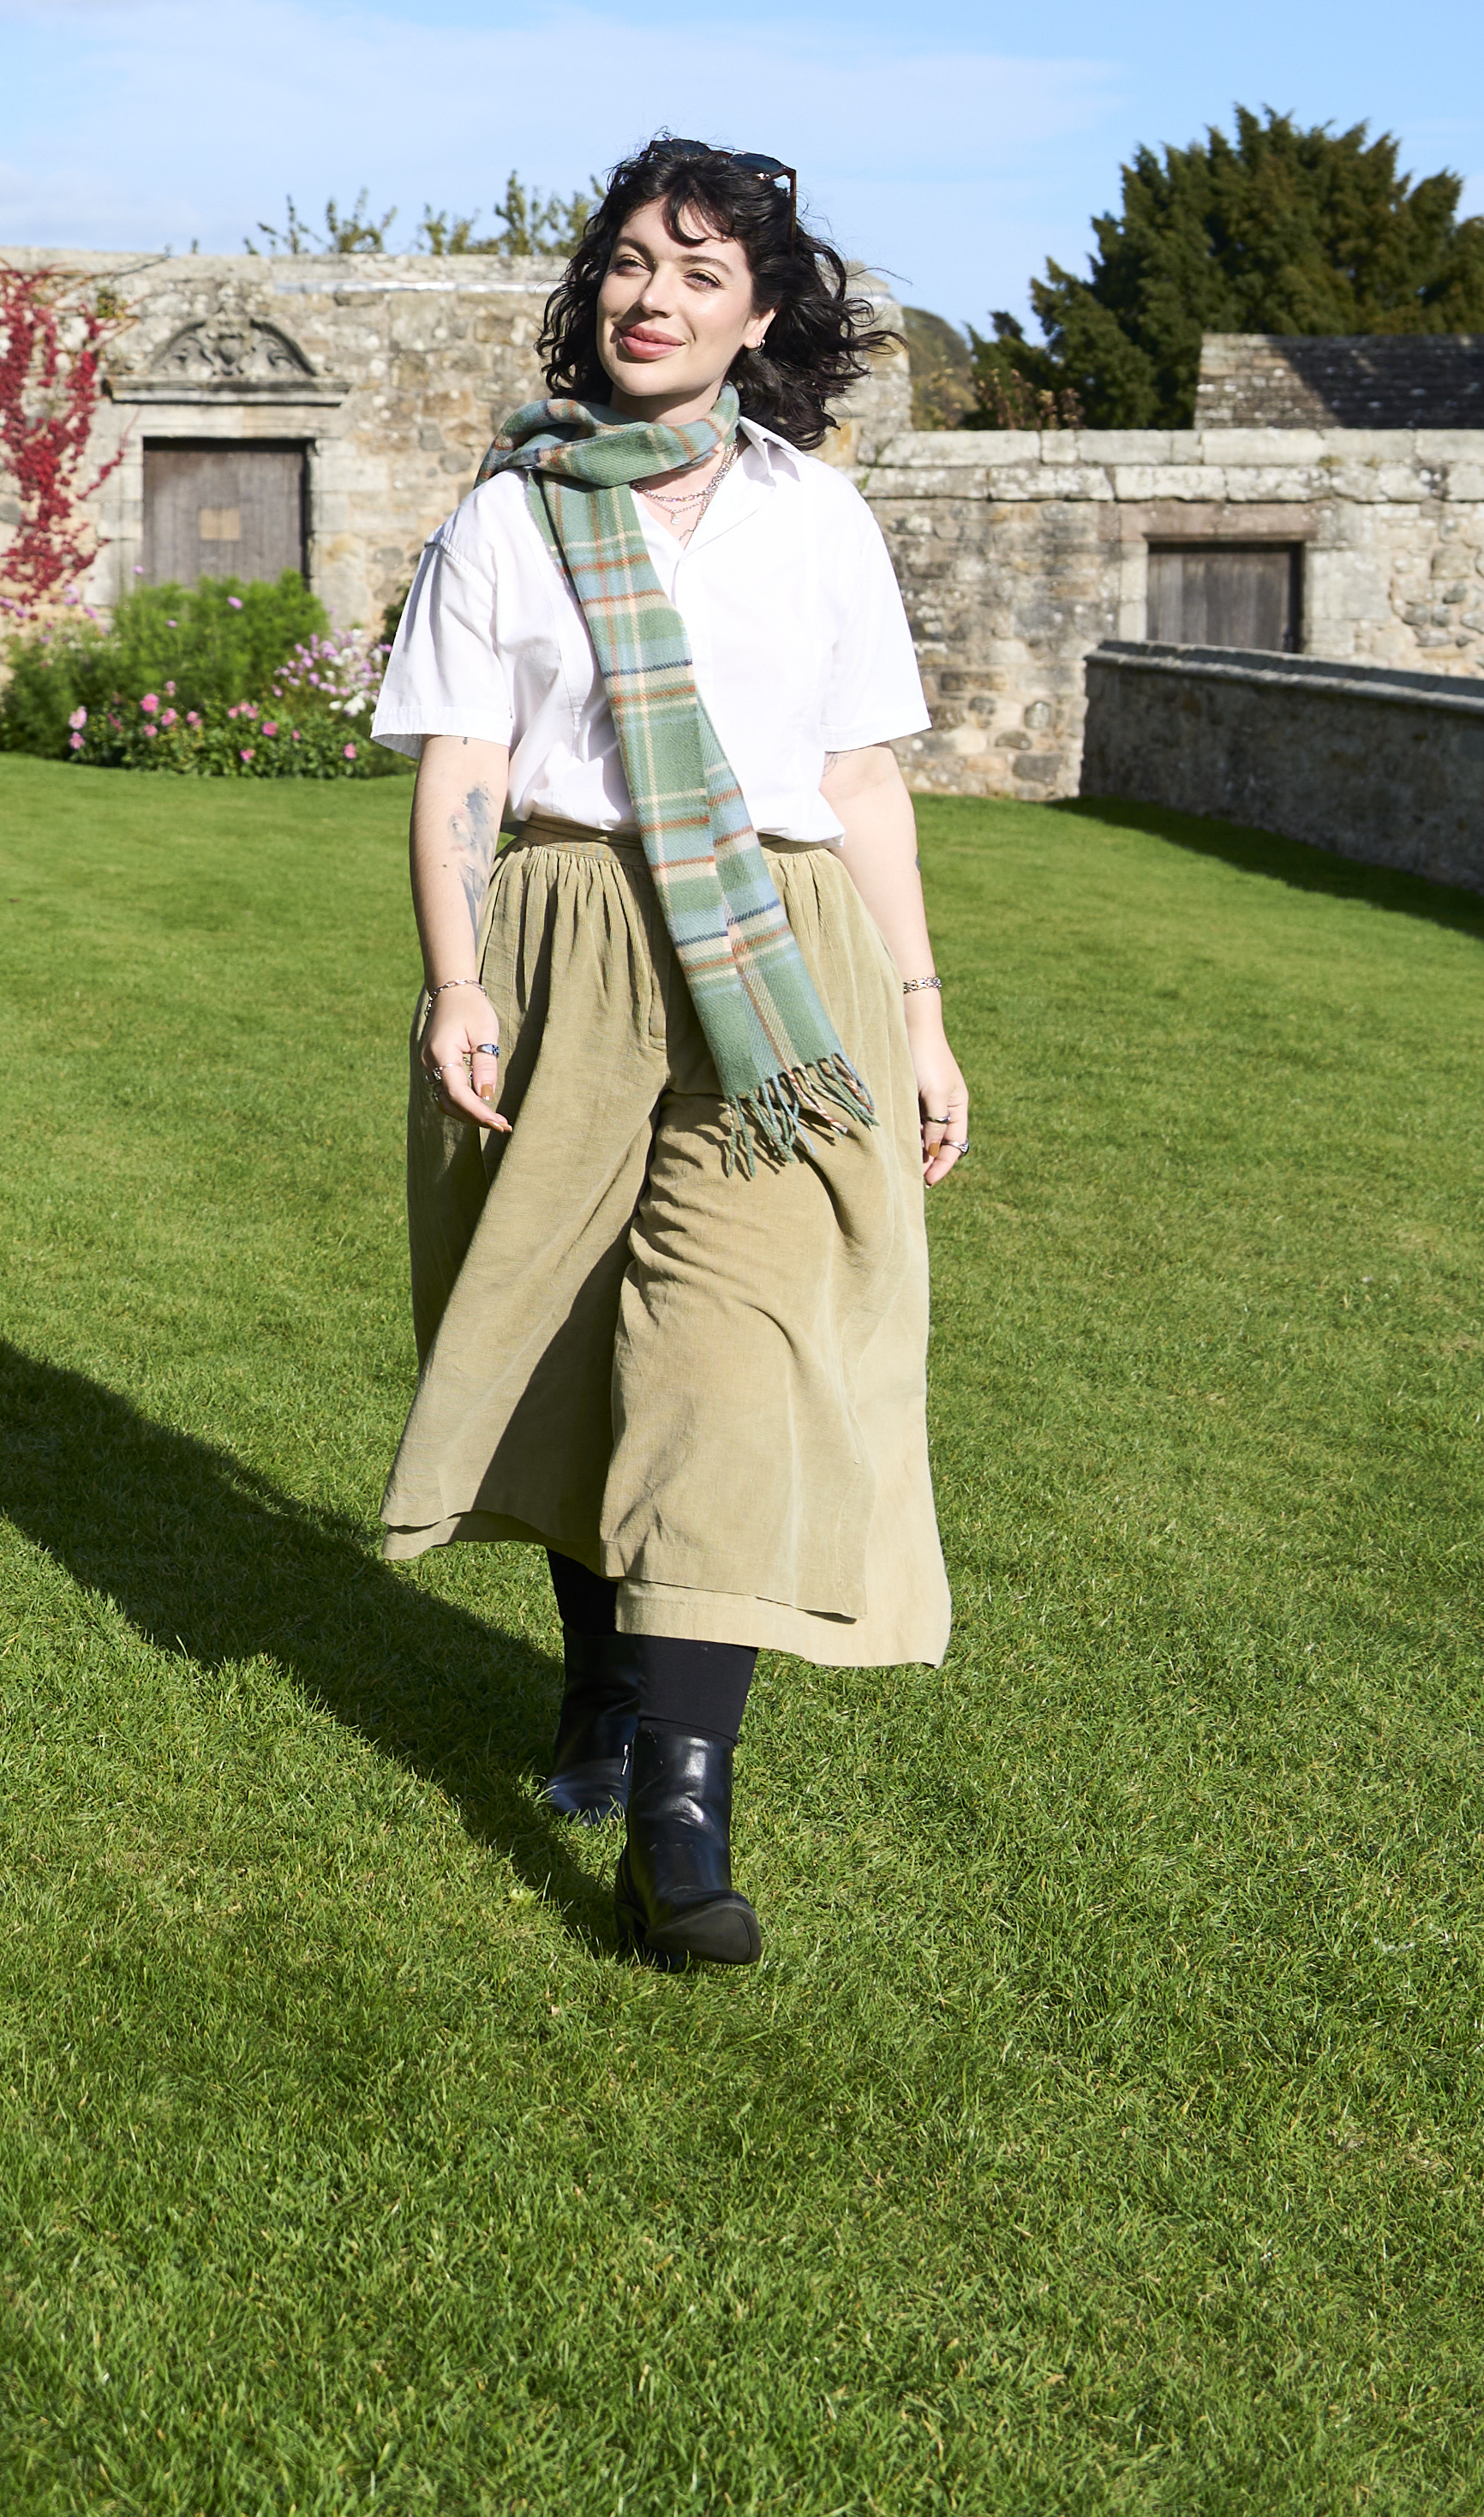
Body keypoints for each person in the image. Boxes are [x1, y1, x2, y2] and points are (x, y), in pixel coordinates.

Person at [366, 136, 967, 1969]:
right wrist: (457, 980)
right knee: (567, 1342)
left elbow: (860, 772)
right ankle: (598, 1692)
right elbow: (462, 760)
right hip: (561, 943)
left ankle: (680, 1820)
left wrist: (927, 1013)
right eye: (631, 260)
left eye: (700, 271)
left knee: (720, 1346)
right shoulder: (510, 513)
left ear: (759, 315)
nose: (652, 295)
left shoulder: (816, 518)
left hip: (779, 972)